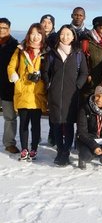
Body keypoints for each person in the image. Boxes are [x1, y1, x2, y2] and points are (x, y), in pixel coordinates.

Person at [43, 25, 88, 166]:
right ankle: (60, 150)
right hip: (55, 94)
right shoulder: (52, 54)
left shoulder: (78, 54)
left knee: (68, 125)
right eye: (62, 34)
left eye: (68, 34)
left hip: (71, 95)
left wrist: (78, 85)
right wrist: (48, 85)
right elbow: (45, 72)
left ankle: (66, 151)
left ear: (73, 36)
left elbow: (84, 73)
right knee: (56, 124)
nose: (65, 37)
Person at [7, 23, 47, 161]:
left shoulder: (46, 51)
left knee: (36, 124)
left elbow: (51, 70)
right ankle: (24, 149)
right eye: (33, 33)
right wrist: (14, 76)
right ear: (29, 34)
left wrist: (41, 75)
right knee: (24, 123)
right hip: (23, 91)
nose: (36, 37)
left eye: (39, 34)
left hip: (37, 93)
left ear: (42, 35)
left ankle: (34, 149)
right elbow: (11, 66)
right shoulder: (20, 50)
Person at [81, 16, 102, 100]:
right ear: (95, 28)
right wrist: (87, 77)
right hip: (91, 84)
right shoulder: (86, 42)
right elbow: (81, 61)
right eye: (101, 28)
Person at [0, 18, 19, 154]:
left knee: (10, 117)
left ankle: (9, 143)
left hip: (7, 87)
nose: (1, 30)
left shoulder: (15, 45)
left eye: (4, 28)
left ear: (9, 29)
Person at [40, 14, 57, 146]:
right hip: (35, 79)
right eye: (44, 22)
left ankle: (52, 135)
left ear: (53, 25)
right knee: (35, 108)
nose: (46, 25)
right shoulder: (34, 36)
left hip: (51, 78)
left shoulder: (55, 39)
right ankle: (36, 135)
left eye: (49, 23)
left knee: (52, 108)